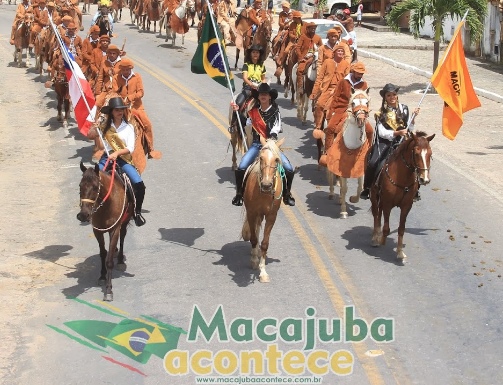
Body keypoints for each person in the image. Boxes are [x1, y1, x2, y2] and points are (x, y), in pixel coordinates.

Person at [231, 83, 296, 207]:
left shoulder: (276, 112)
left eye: (265, 94)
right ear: (258, 97)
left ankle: (287, 195)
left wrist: (268, 142)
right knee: (242, 166)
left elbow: (274, 130)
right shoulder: (254, 112)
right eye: (261, 94)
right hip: (256, 144)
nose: (263, 96)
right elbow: (246, 123)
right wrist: (237, 112)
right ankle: (239, 194)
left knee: (289, 168)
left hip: (271, 145)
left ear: (270, 97)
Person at [87, 97, 147, 226]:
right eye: (117, 110)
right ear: (112, 112)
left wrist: (117, 153)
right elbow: (90, 135)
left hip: (123, 160)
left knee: (139, 184)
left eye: (121, 110)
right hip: (107, 158)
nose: (120, 112)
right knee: (91, 179)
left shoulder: (129, 127)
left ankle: (137, 212)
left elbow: (130, 148)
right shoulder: (104, 126)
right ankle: (88, 209)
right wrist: (94, 127)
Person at [360, 83, 421, 200]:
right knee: (373, 162)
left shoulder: (404, 108)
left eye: (394, 94)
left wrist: (413, 118)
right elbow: (382, 132)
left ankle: (416, 189)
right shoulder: (381, 113)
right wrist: (397, 133)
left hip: (403, 140)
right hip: (387, 141)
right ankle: (367, 187)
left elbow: (410, 128)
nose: (392, 97)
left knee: (418, 158)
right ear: (385, 98)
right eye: (389, 95)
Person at [113, 58, 162, 160]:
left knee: (147, 124)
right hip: (120, 106)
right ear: (121, 69)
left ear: (131, 69)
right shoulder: (116, 78)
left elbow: (141, 92)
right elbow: (114, 92)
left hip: (136, 107)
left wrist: (130, 98)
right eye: (124, 70)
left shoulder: (137, 77)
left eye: (128, 70)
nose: (126, 72)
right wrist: (120, 100)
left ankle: (150, 149)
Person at [325, 61, 368, 152]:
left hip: (357, 110)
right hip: (341, 108)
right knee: (330, 128)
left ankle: (368, 152)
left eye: (361, 73)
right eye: (358, 73)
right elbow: (336, 97)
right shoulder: (343, 82)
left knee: (370, 131)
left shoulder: (364, 84)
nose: (360, 75)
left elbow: (365, 100)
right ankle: (327, 152)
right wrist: (331, 111)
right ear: (353, 72)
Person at [310, 44, 349, 132]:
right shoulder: (327, 62)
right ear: (334, 52)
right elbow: (319, 78)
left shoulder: (346, 64)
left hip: (340, 91)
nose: (340, 53)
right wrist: (314, 92)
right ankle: (318, 126)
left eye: (342, 51)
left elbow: (347, 80)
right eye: (338, 51)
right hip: (326, 89)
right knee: (319, 104)